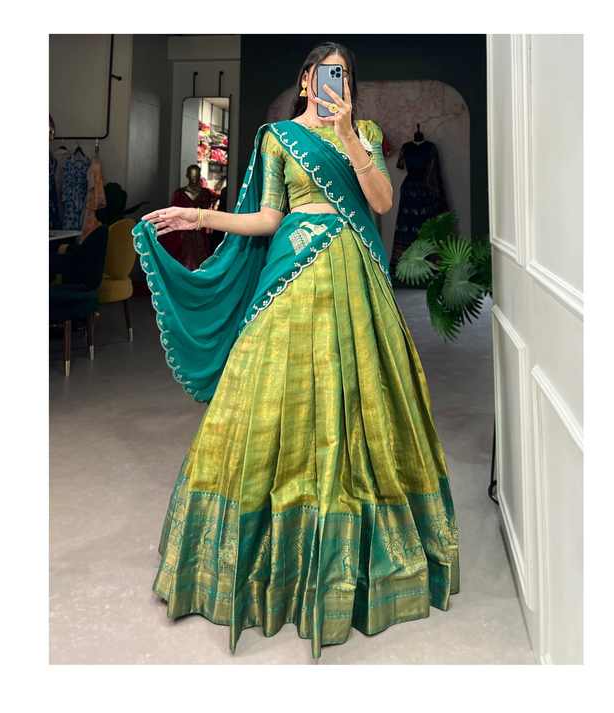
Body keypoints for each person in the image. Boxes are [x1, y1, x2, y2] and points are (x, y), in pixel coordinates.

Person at [134, 41, 459, 660]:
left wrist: (351, 136)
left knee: (361, 401)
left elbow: (381, 203)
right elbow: (267, 218)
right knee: (265, 399)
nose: (333, 82)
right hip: (291, 273)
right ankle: (264, 559)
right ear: (305, 79)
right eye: (324, 73)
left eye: (344, 75)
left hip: (356, 278)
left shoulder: (364, 132)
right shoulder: (277, 138)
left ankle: (353, 560)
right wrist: (200, 219)